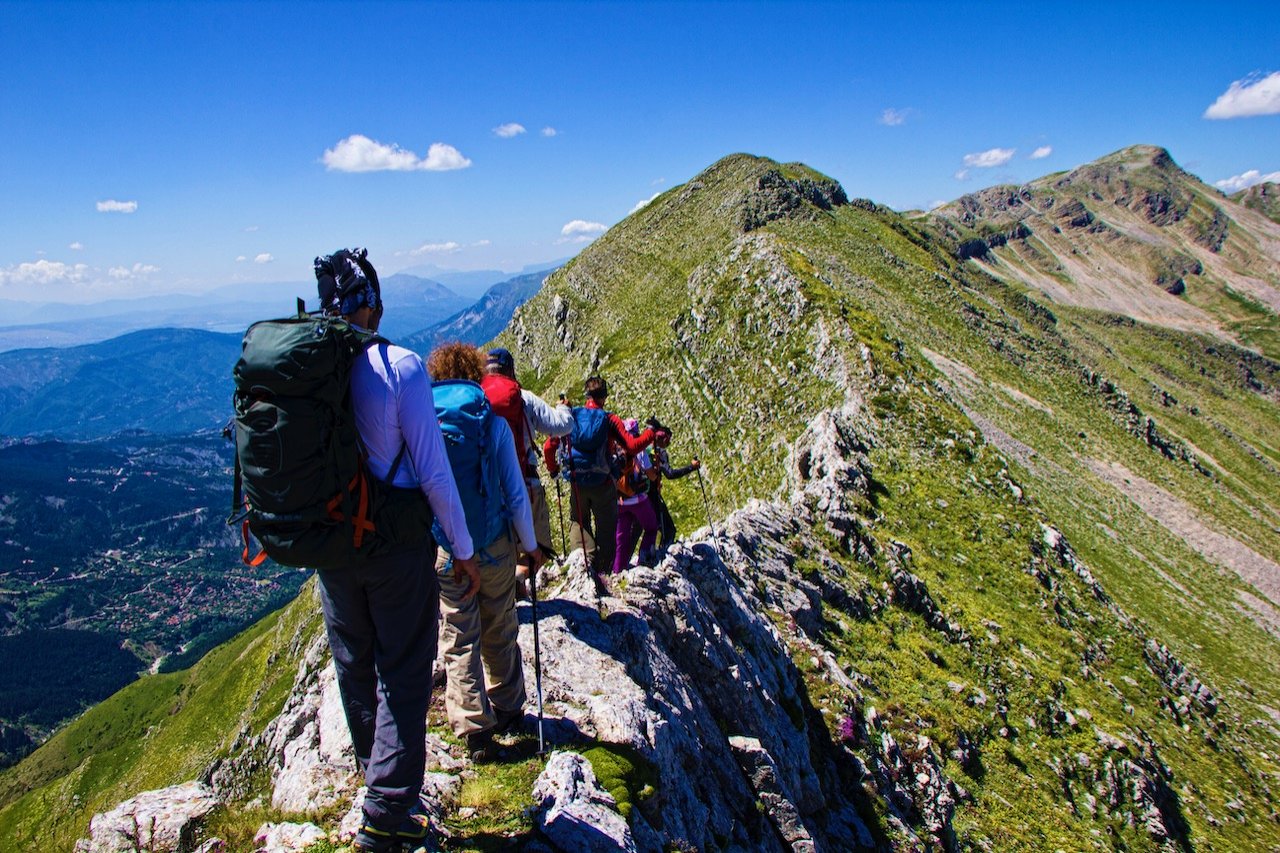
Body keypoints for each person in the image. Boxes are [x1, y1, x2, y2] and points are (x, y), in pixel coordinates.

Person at [311, 249, 480, 853]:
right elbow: (434, 474)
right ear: (374, 304)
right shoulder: (400, 368)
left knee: (355, 667)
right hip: (394, 548)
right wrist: (462, 550)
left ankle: (374, 784)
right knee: (404, 670)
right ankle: (386, 812)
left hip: (332, 552)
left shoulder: (314, 373)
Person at [427, 342, 545, 763]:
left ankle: (475, 731)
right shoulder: (490, 422)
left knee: (459, 636)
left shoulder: (425, 423)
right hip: (494, 544)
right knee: (500, 622)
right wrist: (529, 548)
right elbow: (515, 493)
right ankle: (510, 708)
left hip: (445, 552)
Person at [543, 376, 667, 591]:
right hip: (603, 483)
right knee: (607, 529)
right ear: (604, 397)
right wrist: (650, 433)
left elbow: (548, 446)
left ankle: (583, 566)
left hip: (577, 483)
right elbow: (631, 446)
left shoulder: (571, 415)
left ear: (587, 395)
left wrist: (553, 470)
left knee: (579, 522)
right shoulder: (609, 419)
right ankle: (603, 575)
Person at [480, 347, 573, 593]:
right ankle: (517, 583)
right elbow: (561, 426)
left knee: (503, 552)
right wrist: (564, 408)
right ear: (510, 369)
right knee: (536, 552)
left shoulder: (476, 398)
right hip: (525, 485)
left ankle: (513, 600)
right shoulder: (522, 397)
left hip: (486, 492)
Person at [612, 418, 660, 574]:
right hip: (638, 499)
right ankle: (645, 560)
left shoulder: (615, 447)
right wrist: (656, 474)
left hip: (620, 500)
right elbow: (651, 476)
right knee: (651, 526)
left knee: (621, 537)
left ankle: (618, 569)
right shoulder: (639, 449)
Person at [649, 430, 701, 555]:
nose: (669, 443)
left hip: (640, 494)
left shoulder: (645, 449)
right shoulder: (659, 452)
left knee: (645, 529)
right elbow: (670, 473)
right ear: (662, 438)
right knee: (669, 529)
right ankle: (661, 556)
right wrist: (691, 468)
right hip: (653, 495)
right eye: (668, 439)